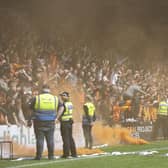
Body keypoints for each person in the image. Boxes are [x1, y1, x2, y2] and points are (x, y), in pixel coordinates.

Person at [28, 84, 64, 160]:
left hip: (39, 121)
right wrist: (57, 118)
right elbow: (62, 107)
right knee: (50, 139)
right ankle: (51, 156)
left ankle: (38, 156)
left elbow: (30, 110)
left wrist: (29, 120)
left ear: (42, 89)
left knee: (40, 139)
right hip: (51, 121)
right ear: (49, 90)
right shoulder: (55, 98)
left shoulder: (37, 98)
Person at [55, 91, 77, 158]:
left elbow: (61, 112)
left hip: (65, 122)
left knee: (66, 139)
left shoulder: (63, 104)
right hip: (69, 121)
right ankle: (74, 153)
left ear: (67, 96)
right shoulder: (70, 103)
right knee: (70, 138)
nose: (62, 97)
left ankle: (66, 154)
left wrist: (57, 118)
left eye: (63, 95)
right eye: (61, 95)